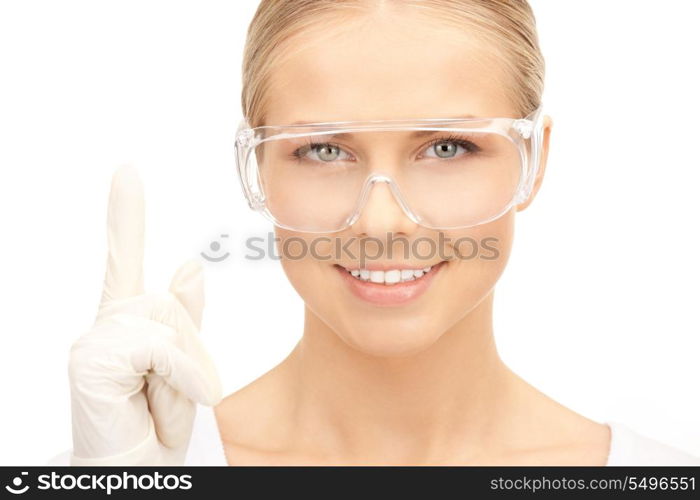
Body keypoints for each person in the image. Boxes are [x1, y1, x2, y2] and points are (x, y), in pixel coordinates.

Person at [54, 0, 700, 466]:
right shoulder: (130, 466)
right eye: (325, 151)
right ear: (258, 167)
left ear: (536, 160)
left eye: (447, 147)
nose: (382, 223)